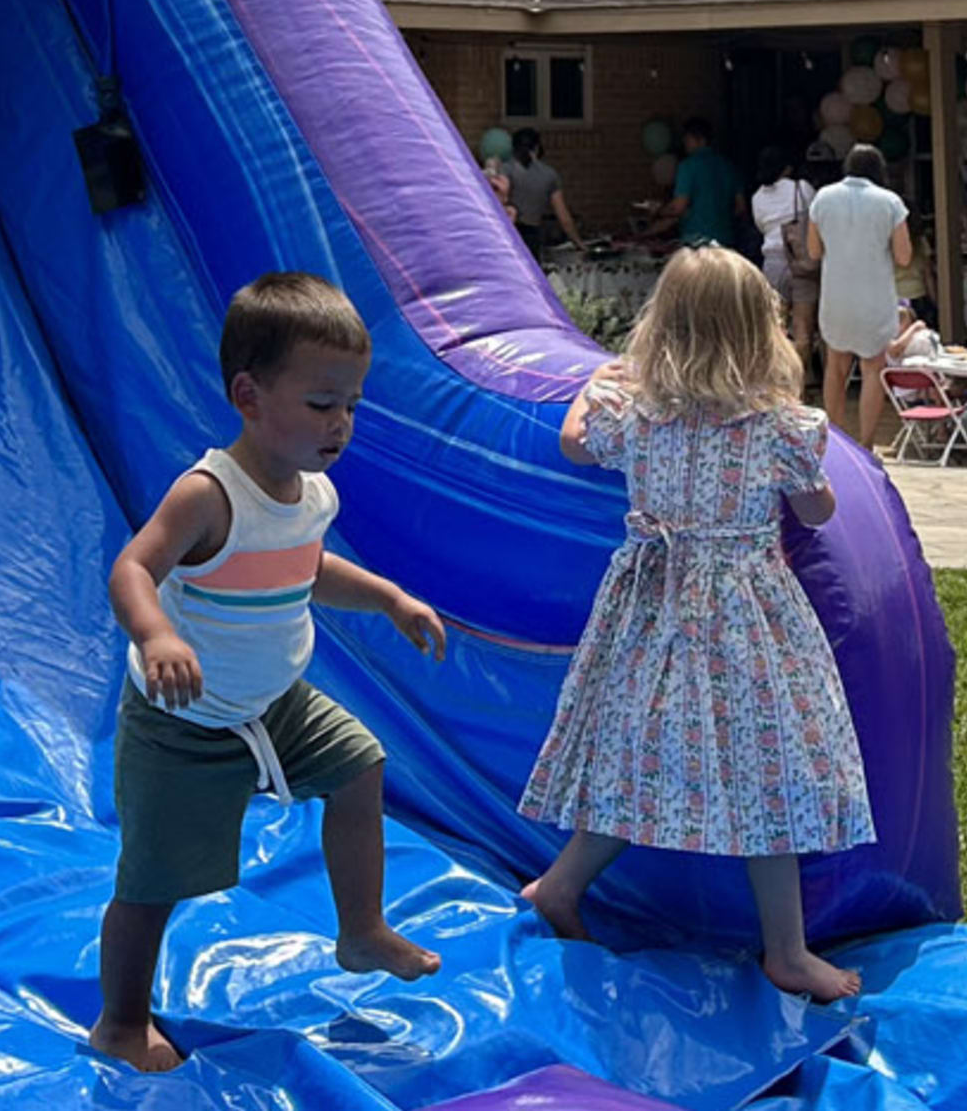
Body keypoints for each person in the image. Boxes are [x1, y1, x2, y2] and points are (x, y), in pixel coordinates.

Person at [96, 273, 448, 1070]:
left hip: (273, 701)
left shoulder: (312, 494)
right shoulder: (208, 495)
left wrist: (389, 598)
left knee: (360, 765)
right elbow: (131, 568)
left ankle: (362, 929)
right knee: (152, 881)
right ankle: (119, 1021)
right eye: (322, 403)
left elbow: (305, 568)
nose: (341, 423)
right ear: (249, 396)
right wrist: (157, 635)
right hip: (183, 717)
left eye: (352, 404)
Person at [518, 247, 874, 1001]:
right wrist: (809, 487)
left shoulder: (635, 414)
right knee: (771, 768)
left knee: (638, 759)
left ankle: (559, 885)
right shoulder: (779, 426)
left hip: (651, 609)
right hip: (746, 616)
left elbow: (573, 442)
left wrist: (591, 384)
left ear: (662, 325)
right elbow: (817, 511)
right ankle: (786, 950)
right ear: (758, 332)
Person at [806, 144, 913, 447]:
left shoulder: (822, 198)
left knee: (835, 368)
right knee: (872, 370)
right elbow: (904, 256)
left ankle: (836, 444)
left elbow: (813, 251)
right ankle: (866, 444)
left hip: (836, 296)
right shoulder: (890, 202)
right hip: (874, 298)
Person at [747, 147, 818, 370]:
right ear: (787, 168)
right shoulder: (802, 188)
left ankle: (779, 378)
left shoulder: (757, 198)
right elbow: (816, 218)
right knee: (802, 328)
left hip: (773, 262)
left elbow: (761, 226)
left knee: (776, 327)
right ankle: (801, 381)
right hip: (801, 262)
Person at [498, 128, 582, 255]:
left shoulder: (505, 170)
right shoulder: (549, 175)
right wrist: (578, 243)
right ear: (537, 148)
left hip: (508, 232)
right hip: (532, 235)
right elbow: (563, 216)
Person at [671, 118, 738, 248]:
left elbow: (679, 207)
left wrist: (659, 211)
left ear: (701, 140)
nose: (685, 143)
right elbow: (740, 207)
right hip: (726, 240)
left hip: (696, 241)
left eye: (688, 139)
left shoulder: (688, 166)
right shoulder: (728, 166)